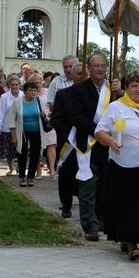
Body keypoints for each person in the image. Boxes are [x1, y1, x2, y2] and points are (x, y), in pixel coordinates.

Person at [95, 72, 139, 260]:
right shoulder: (116, 107)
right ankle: (131, 242)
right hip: (124, 166)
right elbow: (99, 131)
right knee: (128, 206)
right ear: (126, 88)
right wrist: (110, 141)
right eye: (134, 86)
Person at [66, 53, 119, 241]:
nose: (100, 69)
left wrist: (121, 92)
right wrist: (98, 131)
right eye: (96, 65)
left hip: (108, 145)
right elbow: (76, 117)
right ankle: (89, 225)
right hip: (88, 143)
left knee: (105, 185)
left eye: (103, 65)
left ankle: (102, 219)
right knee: (87, 185)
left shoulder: (113, 89)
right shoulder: (78, 90)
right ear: (88, 68)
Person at [50, 62, 88, 218]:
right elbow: (55, 119)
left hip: (89, 141)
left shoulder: (96, 95)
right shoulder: (63, 94)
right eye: (79, 74)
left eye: (86, 74)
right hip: (68, 142)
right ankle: (66, 205)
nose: (83, 77)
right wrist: (71, 135)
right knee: (67, 174)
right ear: (72, 75)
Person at [7, 80, 49, 186]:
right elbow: (11, 120)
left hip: (37, 131)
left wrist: (44, 114)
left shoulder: (39, 101)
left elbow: (47, 113)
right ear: (25, 91)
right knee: (22, 154)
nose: (33, 92)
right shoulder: (17, 102)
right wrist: (13, 135)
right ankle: (22, 177)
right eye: (30, 90)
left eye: (35, 90)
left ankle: (31, 177)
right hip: (22, 132)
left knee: (35, 154)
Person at [0, 75, 22, 175]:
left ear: (19, 85)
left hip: (21, 126)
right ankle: (10, 167)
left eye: (16, 85)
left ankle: (20, 165)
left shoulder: (23, 95)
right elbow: (1, 112)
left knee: (20, 148)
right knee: (8, 149)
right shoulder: (4, 97)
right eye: (12, 85)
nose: (14, 87)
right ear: (9, 85)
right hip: (7, 126)